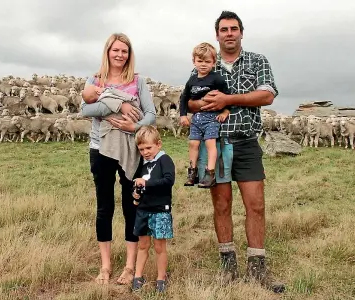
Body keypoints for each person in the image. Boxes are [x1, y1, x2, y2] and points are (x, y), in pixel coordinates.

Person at [186, 11, 285, 293]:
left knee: (256, 205)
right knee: (222, 205)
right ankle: (228, 269)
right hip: (215, 144)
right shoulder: (204, 64)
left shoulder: (257, 61)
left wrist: (228, 99)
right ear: (217, 35)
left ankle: (257, 268)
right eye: (224, 29)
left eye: (234, 29)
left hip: (246, 143)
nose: (229, 33)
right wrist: (202, 102)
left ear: (241, 33)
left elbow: (267, 95)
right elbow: (190, 102)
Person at [80, 33, 156, 286]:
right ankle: (105, 265)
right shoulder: (95, 80)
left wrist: (133, 126)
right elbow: (86, 110)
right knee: (104, 207)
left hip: (131, 150)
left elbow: (151, 115)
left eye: (125, 51)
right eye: (116, 50)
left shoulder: (138, 81)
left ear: (129, 54)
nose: (120, 55)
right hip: (100, 148)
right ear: (108, 52)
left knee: (130, 205)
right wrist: (120, 104)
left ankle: (130, 265)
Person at [179, 42, 231, 188]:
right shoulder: (192, 80)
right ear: (194, 61)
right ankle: (192, 172)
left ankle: (210, 173)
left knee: (210, 144)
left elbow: (227, 96)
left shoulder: (217, 79)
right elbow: (184, 98)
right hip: (196, 119)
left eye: (207, 61)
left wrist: (226, 111)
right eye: (200, 61)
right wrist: (183, 115)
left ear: (214, 62)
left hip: (212, 118)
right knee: (193, 143)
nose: (203, 64)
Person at [130, 125, 175, 293]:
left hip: (160, 211)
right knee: (143, 245)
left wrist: (146, 183)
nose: (145, 152)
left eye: (148, 148)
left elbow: (168, 181)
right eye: (141, 149)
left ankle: (161, 278)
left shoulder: (164, 160)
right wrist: (135, 194)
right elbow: (137, 186)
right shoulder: (142, 164)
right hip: (143, 210)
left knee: (159, 246)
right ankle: (138, 275)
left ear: (159, 144)